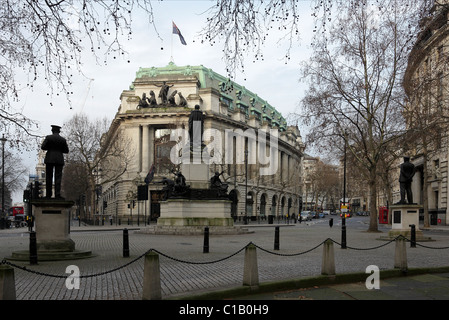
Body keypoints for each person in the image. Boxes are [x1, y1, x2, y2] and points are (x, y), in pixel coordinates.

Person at [41, 125, 69, 199]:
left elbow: (43, 147)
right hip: (59, 159)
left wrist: (50, 148)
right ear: (59, 131)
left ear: (52, 131)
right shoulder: (63, 140)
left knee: (49, 177)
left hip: (49, 158)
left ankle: (48, 195)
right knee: (58, 177)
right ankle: (57, 195)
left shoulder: (48, 137)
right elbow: (66, 150)